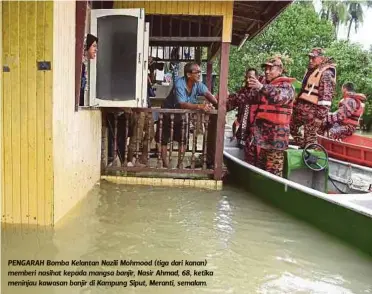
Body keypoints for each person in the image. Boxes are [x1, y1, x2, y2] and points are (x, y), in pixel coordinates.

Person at [155, 62, 218, 168]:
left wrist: (217, 105)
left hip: (182, 115)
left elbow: (208, 94)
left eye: (200, 72)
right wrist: (200, 106)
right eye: (197, 72)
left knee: (183, 139)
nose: (199, 74)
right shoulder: (180, 84)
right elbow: (182, 104)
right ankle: (165, 165)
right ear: (189, 75)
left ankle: (180, 165)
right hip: (168, 113)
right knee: (163, 139)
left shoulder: (198, 84)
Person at [245, 56, 296, 177]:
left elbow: (279, 98)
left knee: (273, 171)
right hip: (261, 136)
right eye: (265, 69)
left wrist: (261, 87)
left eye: (270, 68)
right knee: (259, 168)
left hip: (277, 137)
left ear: (280, 70)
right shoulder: (262, 86)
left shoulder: (287, 87)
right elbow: (247, 99)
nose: (267, 71)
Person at [290, 48, 336, 148]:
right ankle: (303, 147)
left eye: (313, 58)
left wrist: (320, 117)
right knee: (290, 126)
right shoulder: (310, 72)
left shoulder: (326, 74)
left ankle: (310, 158)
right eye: (309, 58)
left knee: (310, 139)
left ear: (322, 59)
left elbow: (326, 98)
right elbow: (303, 91)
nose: (310, 60)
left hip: (313, 114)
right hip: (300, 110)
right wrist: (295, 104)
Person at [226, 68, 260, 147]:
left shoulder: (260, 93)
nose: (248, 80)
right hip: (242, 134)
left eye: (251, 78)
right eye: (246, 78)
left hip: (255, 135)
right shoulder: (242, 92)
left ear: (257, 78)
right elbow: (231, 104)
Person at [79, 33, 98, 106]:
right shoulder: (80, 66)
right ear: (85, 46)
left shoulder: (83, 65)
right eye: (94, 46)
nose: (96, 49)